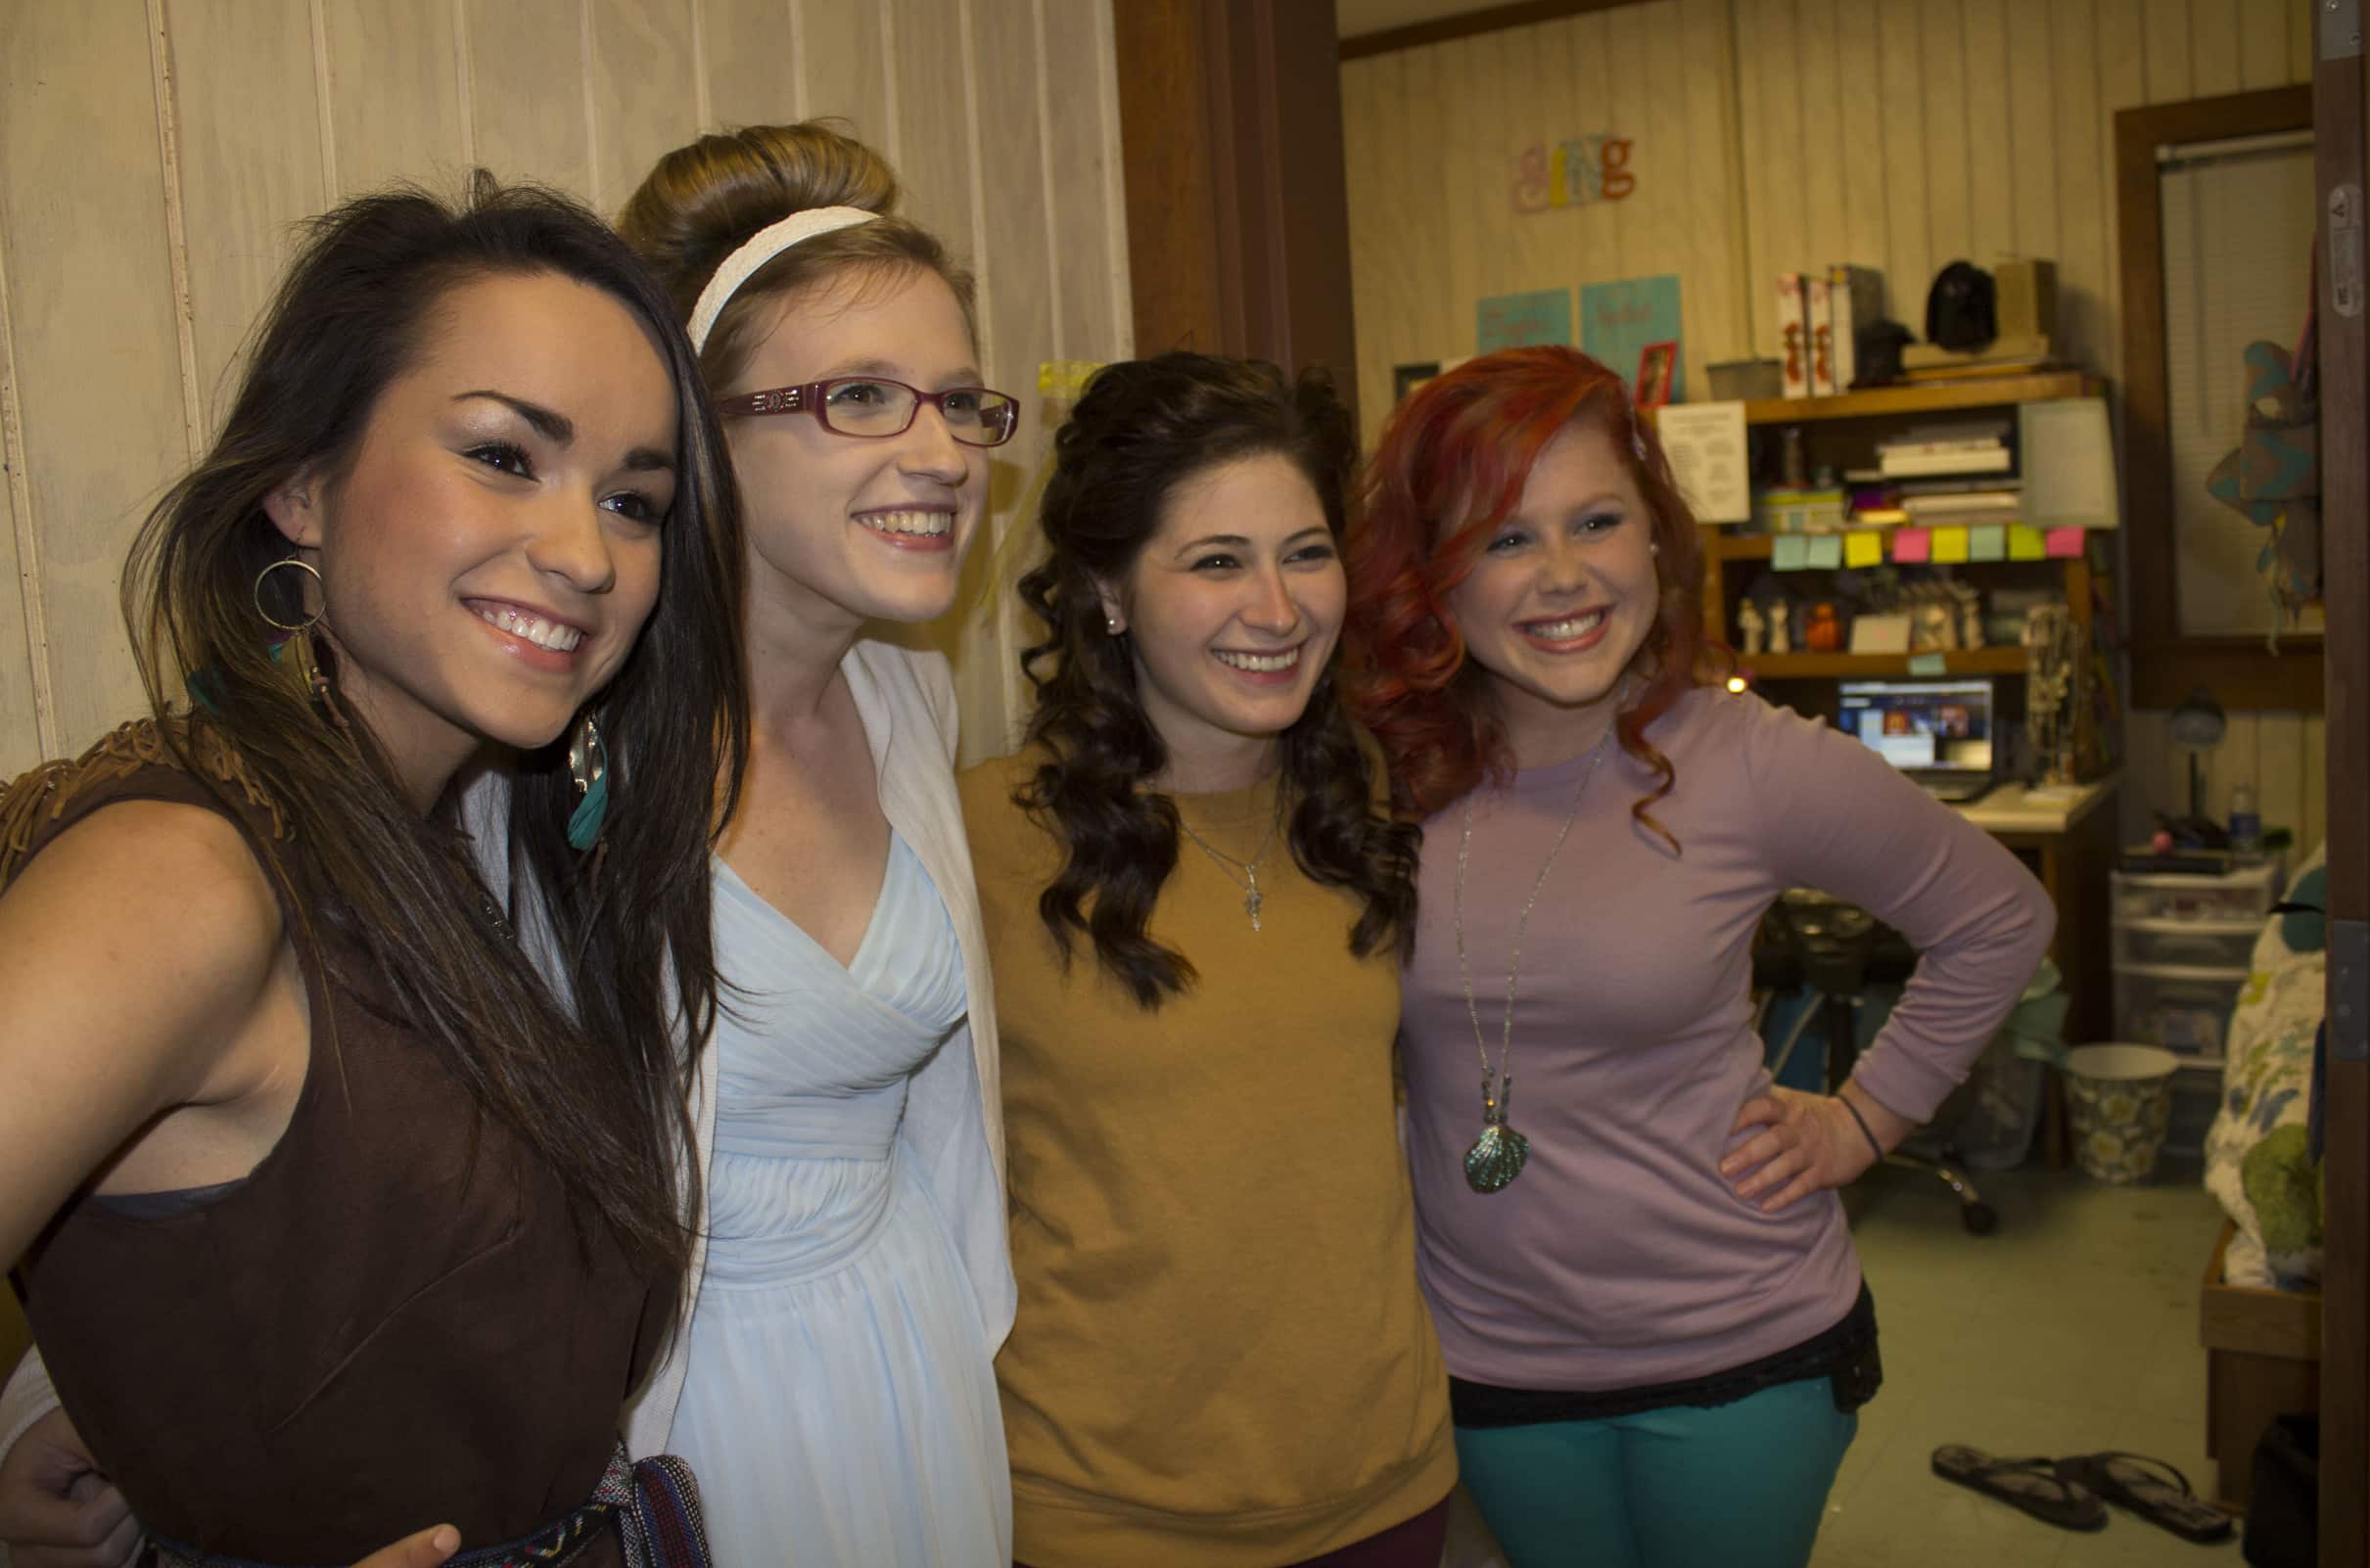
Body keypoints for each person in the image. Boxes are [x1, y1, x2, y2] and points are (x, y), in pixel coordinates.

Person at [0, 120, 1014, 1567]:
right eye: (500, 453)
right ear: (301, 480)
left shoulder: (484, 798)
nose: (586, 551)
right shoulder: (195, 867)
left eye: (629, 500)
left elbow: (264, 1233)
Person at [1341, 346, 2055, 1568]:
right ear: (1433, 580)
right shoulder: (1373, 779)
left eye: (1596, 520)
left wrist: (1866, 1117)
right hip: (1488, 1355)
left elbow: (1998, 916)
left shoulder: (1744, 759)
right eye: (1502, 538)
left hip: (1738, 1347)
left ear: (1657, 543)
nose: (1561, 575)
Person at [959, 353, 1457, 1568]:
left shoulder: (1369, 806)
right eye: (1217, 560)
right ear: (1108, 591)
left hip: (1384, 1487)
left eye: (1304, 551)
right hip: (1105, 1511)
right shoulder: (978, 835)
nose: (1278, 608)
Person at [609, 121, 1016, 1563]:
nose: (942, 453)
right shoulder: (567, 750)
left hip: (911, 1347)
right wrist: (54, 1396)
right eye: (862, 396)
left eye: (963, 404)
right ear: (705, 431)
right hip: (687, 1408)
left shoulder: (911, 693)